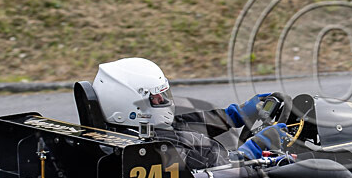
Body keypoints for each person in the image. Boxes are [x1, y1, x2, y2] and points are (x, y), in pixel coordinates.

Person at [92, 57, 288, 169]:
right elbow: (227, 168)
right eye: (156, 97)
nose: (164, 101)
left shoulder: (136, 132)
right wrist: (255, 147)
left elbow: (184, 125)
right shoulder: (160, 149)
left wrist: (233, 116)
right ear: (128, 105)